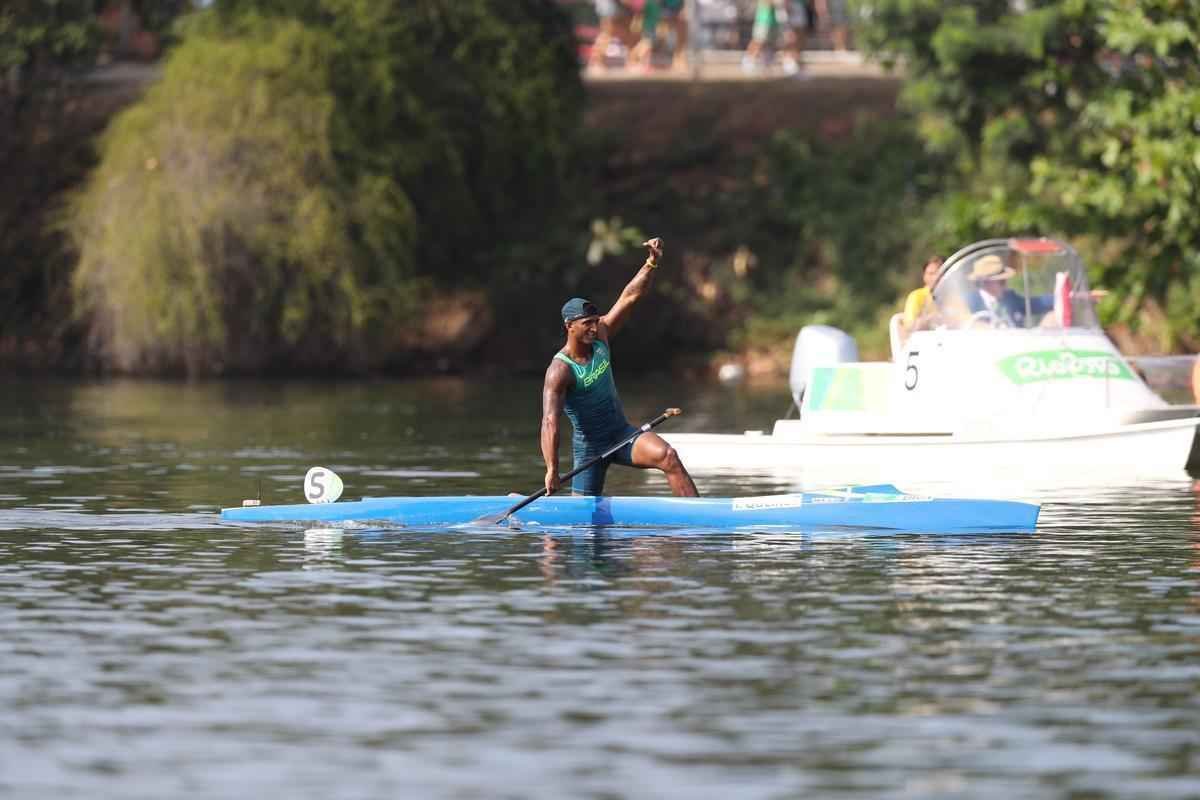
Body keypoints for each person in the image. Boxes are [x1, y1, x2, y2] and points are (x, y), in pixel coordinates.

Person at [541, 238, 699, 498]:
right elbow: (549, 422)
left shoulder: (601, 334)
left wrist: (651, 263)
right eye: (587, 324)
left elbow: (630, 296)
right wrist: (551, 469)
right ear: (569, 326)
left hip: (621, 434)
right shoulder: (560, 369)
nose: (595, 327)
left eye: (595, 321)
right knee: (583, 522)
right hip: (589, 449)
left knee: (668, 456)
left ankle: (699, 519)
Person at [965, 254, 1052, 328]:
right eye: (1001, 281)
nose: (1006, 283)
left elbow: (1040, 303)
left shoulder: (1011, 298)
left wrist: (1061, 293)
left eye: (1004, 280)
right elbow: (960, 320)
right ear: (986, 283)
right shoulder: (970, 302)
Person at [901, 255, 943, 333]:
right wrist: (929, 319)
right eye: (931, 273)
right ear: (924, 276)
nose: (936, 277)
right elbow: (909, 328)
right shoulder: (916, 296)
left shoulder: (952, 296)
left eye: (939, 273)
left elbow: (967, 319)